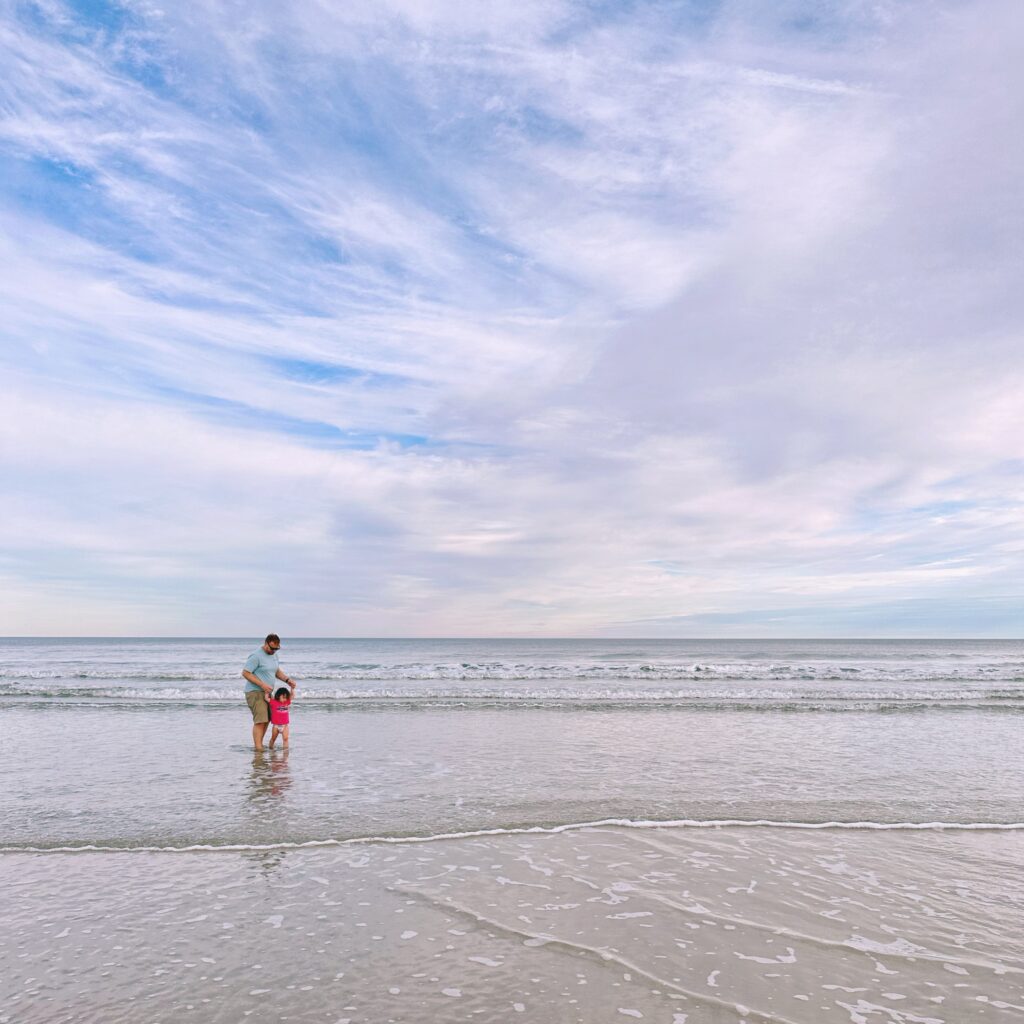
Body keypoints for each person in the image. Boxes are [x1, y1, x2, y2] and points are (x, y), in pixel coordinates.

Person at [242, 634, 297, 750]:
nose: (274, 651)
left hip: (267, 692)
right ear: (266, 643)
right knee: (260, 720)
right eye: (272, 648)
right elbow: (245, 673)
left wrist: (287, 680)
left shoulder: (274, 655)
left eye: (277, 649)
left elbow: (276, 671)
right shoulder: (256, 656)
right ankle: (258, 748)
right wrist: (262, 684)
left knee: (267, 720)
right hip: (255, 691)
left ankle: (260, 745)